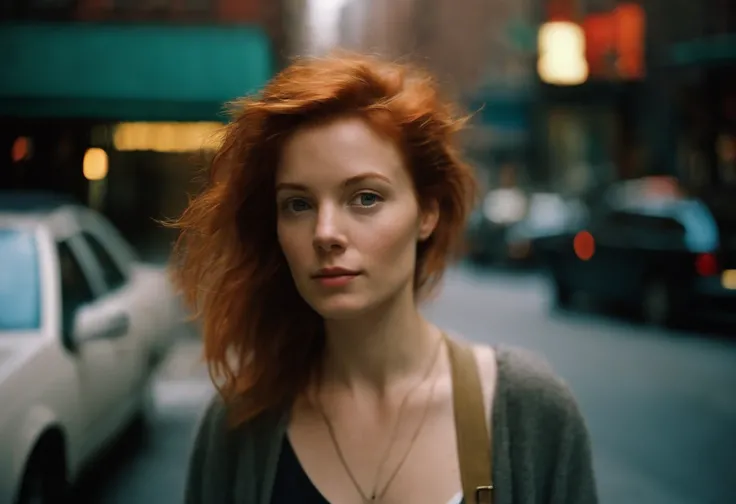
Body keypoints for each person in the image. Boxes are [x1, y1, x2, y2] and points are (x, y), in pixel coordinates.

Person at [173, 54, 598, 504]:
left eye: (365, 197)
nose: (325, 233)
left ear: (427, 212)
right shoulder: (238, 426)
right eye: (298, 204)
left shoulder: (526, 409)